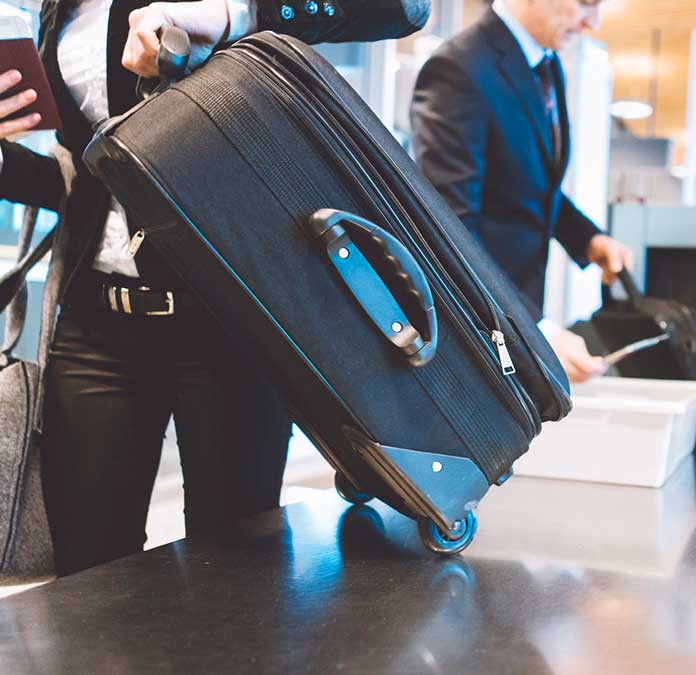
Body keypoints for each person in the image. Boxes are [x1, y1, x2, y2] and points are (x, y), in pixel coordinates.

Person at [0, 0, 429, 576]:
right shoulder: (63, 9)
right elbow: (85, 176)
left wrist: (234, 12)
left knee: (231, 576)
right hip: (96, 322)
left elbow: (402, 9)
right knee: (87, 572)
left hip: (230, 320)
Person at [410, 0, 633, 384]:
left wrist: (588, 239)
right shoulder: (460, 68)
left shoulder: (546, 63)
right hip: (475, 328)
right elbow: (448, 229)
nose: (592, 23)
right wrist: (536, 331)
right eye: (586, 3)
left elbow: (530, 185)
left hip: (515, 311)